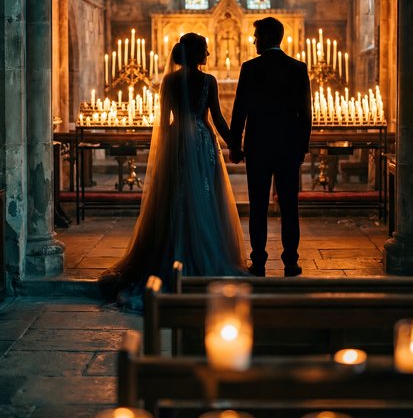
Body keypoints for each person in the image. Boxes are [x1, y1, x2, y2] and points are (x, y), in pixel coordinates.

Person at [100, 33, 246, 306]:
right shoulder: (208, 81)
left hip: (176, 139)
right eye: (205, 49)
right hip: (202, 141)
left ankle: (170, 253)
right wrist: (235, 146)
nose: (208, 54)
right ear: (197, 52)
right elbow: (217, 118)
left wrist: (168, 144)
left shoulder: (169, 81)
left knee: (174, 195)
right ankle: (200, 254)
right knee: (203, 195)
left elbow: (165, 117)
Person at [230, 17, 312, 277]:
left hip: (258, 147)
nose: (253, 41)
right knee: (289, 206)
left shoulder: (250, 68)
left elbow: (240, 110)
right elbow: (305, 113)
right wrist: (302, 148)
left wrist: (235, 144)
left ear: (265, 37)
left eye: (256, 36)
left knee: (258, 205)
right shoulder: (297, 68)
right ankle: (291, 262)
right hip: (288, 147)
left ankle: (259, 262)